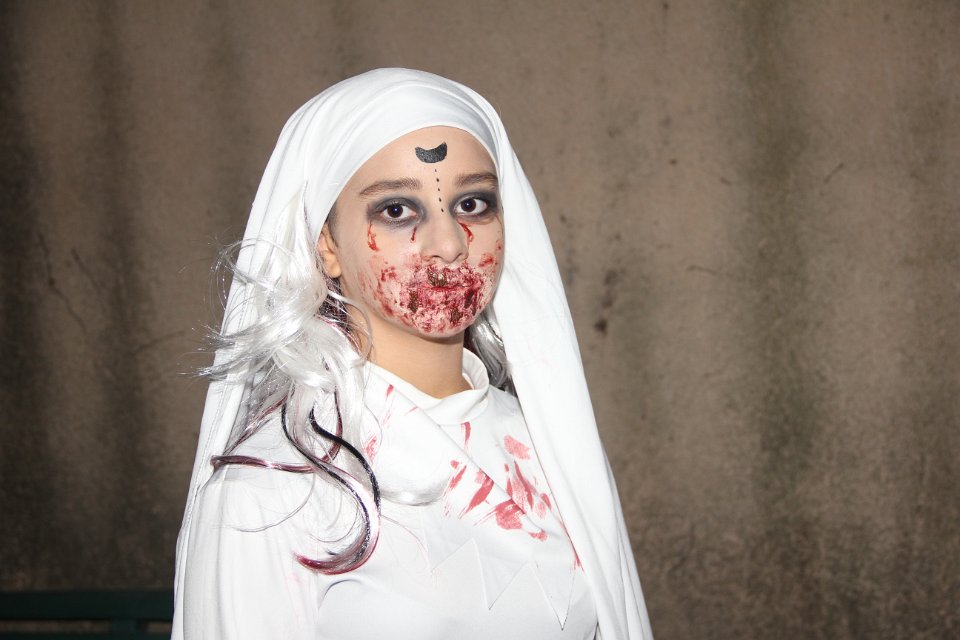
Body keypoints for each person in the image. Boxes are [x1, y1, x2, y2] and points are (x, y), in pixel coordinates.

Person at [172, 68, 653, 639]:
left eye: (472, 203)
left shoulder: (549, 445)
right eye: (397, 210)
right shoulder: (270, 488)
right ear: (326, 246)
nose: (448, 243)